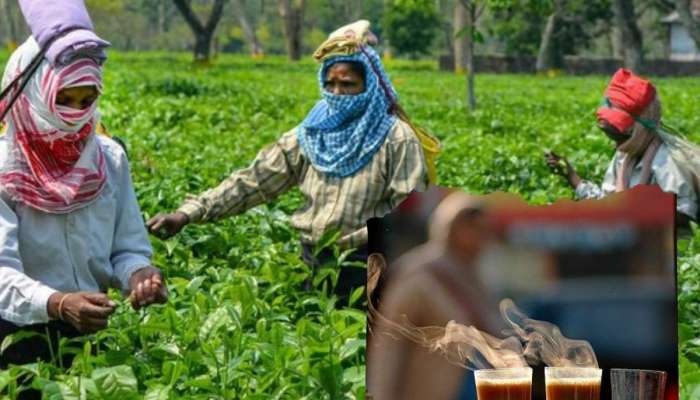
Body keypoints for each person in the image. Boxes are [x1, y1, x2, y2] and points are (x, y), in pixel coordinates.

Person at [147, 20, 429, 302]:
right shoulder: (310, 134)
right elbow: (254, 181)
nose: (337, 93)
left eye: (348, 84)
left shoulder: (395, 138)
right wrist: (188, 213)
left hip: (365, 266)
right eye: (330, 84)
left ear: (369, 86)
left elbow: (410, 215)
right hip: (312, 261)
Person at [0, 0, 166, 373]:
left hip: (90, 332)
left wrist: (139, 276)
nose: (74, 115)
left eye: (87, 100)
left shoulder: (107, 158)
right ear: (35, 94)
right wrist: (57, 303)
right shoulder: (5, 168)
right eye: (63, 99)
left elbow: (126, 247)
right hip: (13, 336)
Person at [367, 192, 501, 400]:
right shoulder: (419, 277)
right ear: (451, 228)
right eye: (473, 228)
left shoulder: (474, 279)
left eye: (484, 229)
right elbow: (389, 348)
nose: (481, 237)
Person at [546, 68, 700, 227]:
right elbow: (609, 205)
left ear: (639, 130)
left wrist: (638, 209)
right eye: (611, 136)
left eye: (619, 137)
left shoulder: (668, 164)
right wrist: (572, 177)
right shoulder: (625, 156)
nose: (616, 144)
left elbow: (685, 221)